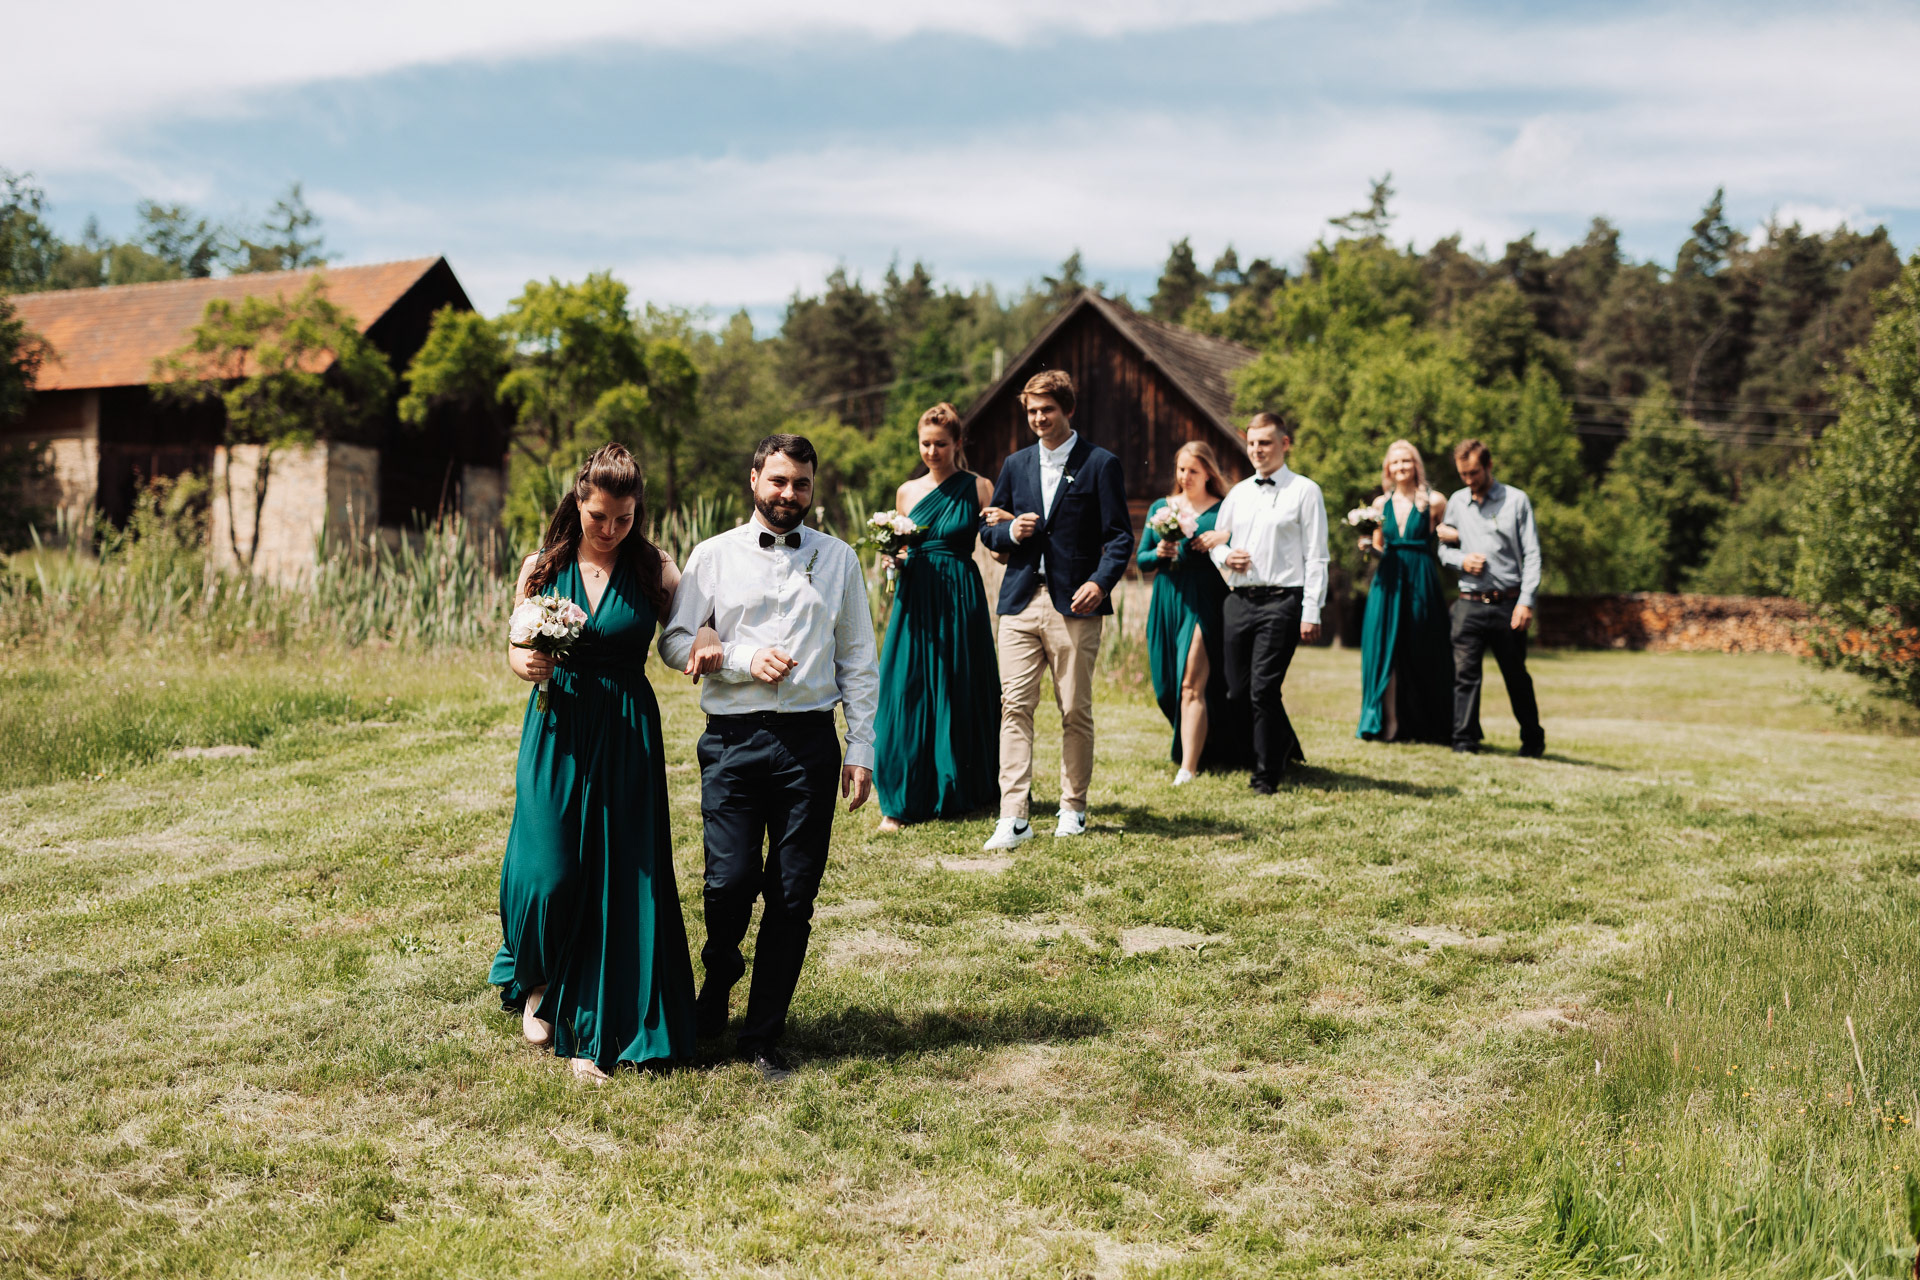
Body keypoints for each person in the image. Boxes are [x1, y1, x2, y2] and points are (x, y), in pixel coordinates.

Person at [492, 443, 717, 1083]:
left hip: (625, 731)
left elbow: (691, 626)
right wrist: (524, 661)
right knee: (546, 870)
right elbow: (516, 641)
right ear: (579, 501)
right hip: (557, 724)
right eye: (599, 516)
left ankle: (598, 1000)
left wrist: (706, 633)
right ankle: (536, 980)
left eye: (624, 518)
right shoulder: (543, 565)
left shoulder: (654, 569)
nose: (611, 529)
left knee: (620, 873)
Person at [658, 433, 879, 1079]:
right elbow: (674, 642)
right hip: (732, 741)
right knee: (727, 882)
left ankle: (762, 1036)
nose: (789, 494)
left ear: (813, 488)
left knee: (792, 895)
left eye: (801, 483)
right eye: (778, 480)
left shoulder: (839, 559)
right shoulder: (712, 556)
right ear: (754, 479)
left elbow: (858, 658)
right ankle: (720, 971)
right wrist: (738, 656)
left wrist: (860, 745)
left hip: (810, 744)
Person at [977, 369, 1133, 851]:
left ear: (1068, 409)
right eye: (1032, 411)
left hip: (1076, 605)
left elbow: (1119, 538)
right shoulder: (1016, 464)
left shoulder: (1100, 464)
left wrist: (1099, 583)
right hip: (1020, 602)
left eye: (1047, 409)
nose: (1039, 418)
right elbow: (989, 529)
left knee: (1075, 710)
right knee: (1014, 707)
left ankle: (1073, 809)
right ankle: (1014, 817)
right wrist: (1010, 532)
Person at [872, 404, 1002, 830]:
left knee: (960, 684)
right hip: (916, 594)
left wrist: (1008, 526)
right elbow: (898, 549)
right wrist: (893, 559)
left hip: (961, 594)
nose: (932, 451)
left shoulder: (979, 486)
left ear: (957, 443)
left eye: (941, 444)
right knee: (907, 687)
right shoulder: (906, 492)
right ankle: (902, 797)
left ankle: (964, 788)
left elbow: (997, 550)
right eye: (925, 443)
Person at [1209, 412, 1329, 793]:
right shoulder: (1239, 492)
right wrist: (1226, 556)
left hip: (1282, 602)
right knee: (1237, 691)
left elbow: (1317, 556)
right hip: (1239, 600)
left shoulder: (1306, 491)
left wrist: (1311, 610)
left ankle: (1265, 774)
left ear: (1284, 444)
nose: (1257, 450)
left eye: (1265, 442)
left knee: (1263, 689)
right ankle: (1282, 746)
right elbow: (1216, 541)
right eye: (1251, 443)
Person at [1135, 440, 1250, 783]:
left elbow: (1242, 546)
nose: (1185, 476)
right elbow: (1142, 560)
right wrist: (1159, 552)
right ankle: (1204, 742)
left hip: (1204, 600)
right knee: (1165, 688)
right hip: (1166, 598)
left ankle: (1188, 766)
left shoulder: (1223, 510)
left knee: (1190, 685)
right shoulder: (1161, 507)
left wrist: (1221, 537)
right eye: (1181, 469)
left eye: (1193, 470)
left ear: (1208, 473)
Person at [1437, 438, 1545, 757]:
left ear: (1488, 466)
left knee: (1515, 675)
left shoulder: (1516, 500)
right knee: (1464, 676)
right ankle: (1464, 742)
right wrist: (1462, 560)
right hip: (1468, 603)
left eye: (1474, 473)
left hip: (1507, 604)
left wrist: (1526, 601)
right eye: (1463, 474)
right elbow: (1443, 549)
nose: (1469, 480)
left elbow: (1532, 554)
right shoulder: (1457, 502)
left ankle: (1532, 741)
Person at [1355, 440, 1456, 745]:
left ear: (1416, 465)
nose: (1401, 467)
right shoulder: (1379, 505)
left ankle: (1426, 723)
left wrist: (1455, 536)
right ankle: (1390, 722)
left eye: (1406, 461)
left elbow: (1450, 538)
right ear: (1388, 468)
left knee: (1423, 646)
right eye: (1395, 462)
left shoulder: (1435, 501)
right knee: (1383, 647)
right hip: (1387, 581)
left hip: (1421, 577)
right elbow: (1379, 548)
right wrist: (1367, 547)